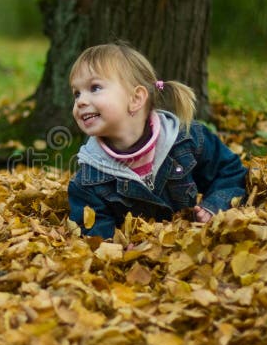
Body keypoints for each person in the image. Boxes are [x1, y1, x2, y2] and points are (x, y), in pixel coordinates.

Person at [67, 43, 247, 239]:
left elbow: (230, 171)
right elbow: (92, 228)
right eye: (77, 93)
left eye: (95, 88)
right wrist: (115, 247)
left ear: (136, 99)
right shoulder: (88, 178)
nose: (81, 101)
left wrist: (215, 205)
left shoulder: (186, 139)